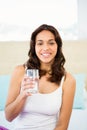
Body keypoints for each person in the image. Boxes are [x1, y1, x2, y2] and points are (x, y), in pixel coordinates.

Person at [5, 24, 76, 130]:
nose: (45, 48)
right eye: (40, 43)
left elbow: (63, 125)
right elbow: (9, 117)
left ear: (58, 46)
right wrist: (22, 95)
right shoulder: (20, 71)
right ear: (34, 47)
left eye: (51, 43)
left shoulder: (68, 80)